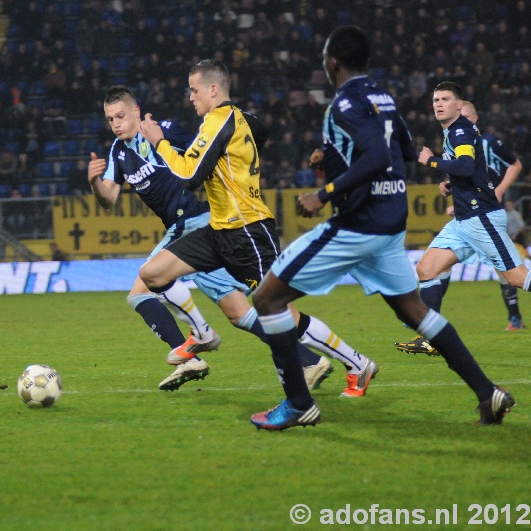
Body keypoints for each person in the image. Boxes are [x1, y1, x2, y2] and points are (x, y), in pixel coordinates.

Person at [249, 27, 514, 431]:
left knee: (267, 299)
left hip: (358, 223)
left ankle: (298, 403)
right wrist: (335, 157)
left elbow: (374, 156)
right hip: (391, 222)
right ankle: (487, 393)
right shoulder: (382, 97)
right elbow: (403, 151)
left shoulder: (345, 103)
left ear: (332, 61)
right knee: (415, 310)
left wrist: (324, 193)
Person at [135, 65, 376, 396]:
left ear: (214, 90)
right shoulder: (237, 118)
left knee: (277, 310)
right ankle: (201, 335)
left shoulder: (219, 119)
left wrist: (160, 142)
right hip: (219, 230)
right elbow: (261, 132)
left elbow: (190, 176)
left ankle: (357, 363)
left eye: (194, 90)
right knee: (153, 274)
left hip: (248, 230)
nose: (190, 97)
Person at [394, 81, 531, 353]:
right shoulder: (455, 132)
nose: (439, 104)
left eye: (445, 99)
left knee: (517, 277)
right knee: (427, 269)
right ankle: (430, 338)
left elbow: (466, 166)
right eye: (435, 100)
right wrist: (452, 184)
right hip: (464, 221)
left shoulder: (459, 131)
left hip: (481, 219)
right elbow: (478, 171)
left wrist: (431, 162)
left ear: (458, 105)